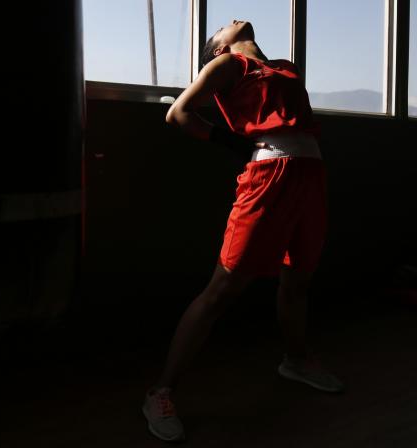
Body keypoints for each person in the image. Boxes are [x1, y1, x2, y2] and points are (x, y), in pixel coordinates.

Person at [141, 20, 345, 443]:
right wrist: (228, 142)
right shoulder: (227, 65)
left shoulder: (286, 67)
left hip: (310, 175)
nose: (230, 21)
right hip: (269, 176)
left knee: (298, 280)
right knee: (222, 290)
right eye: (220, 27)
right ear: (218, 48)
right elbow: (177, 114)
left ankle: (296, 360)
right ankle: (160, 392)